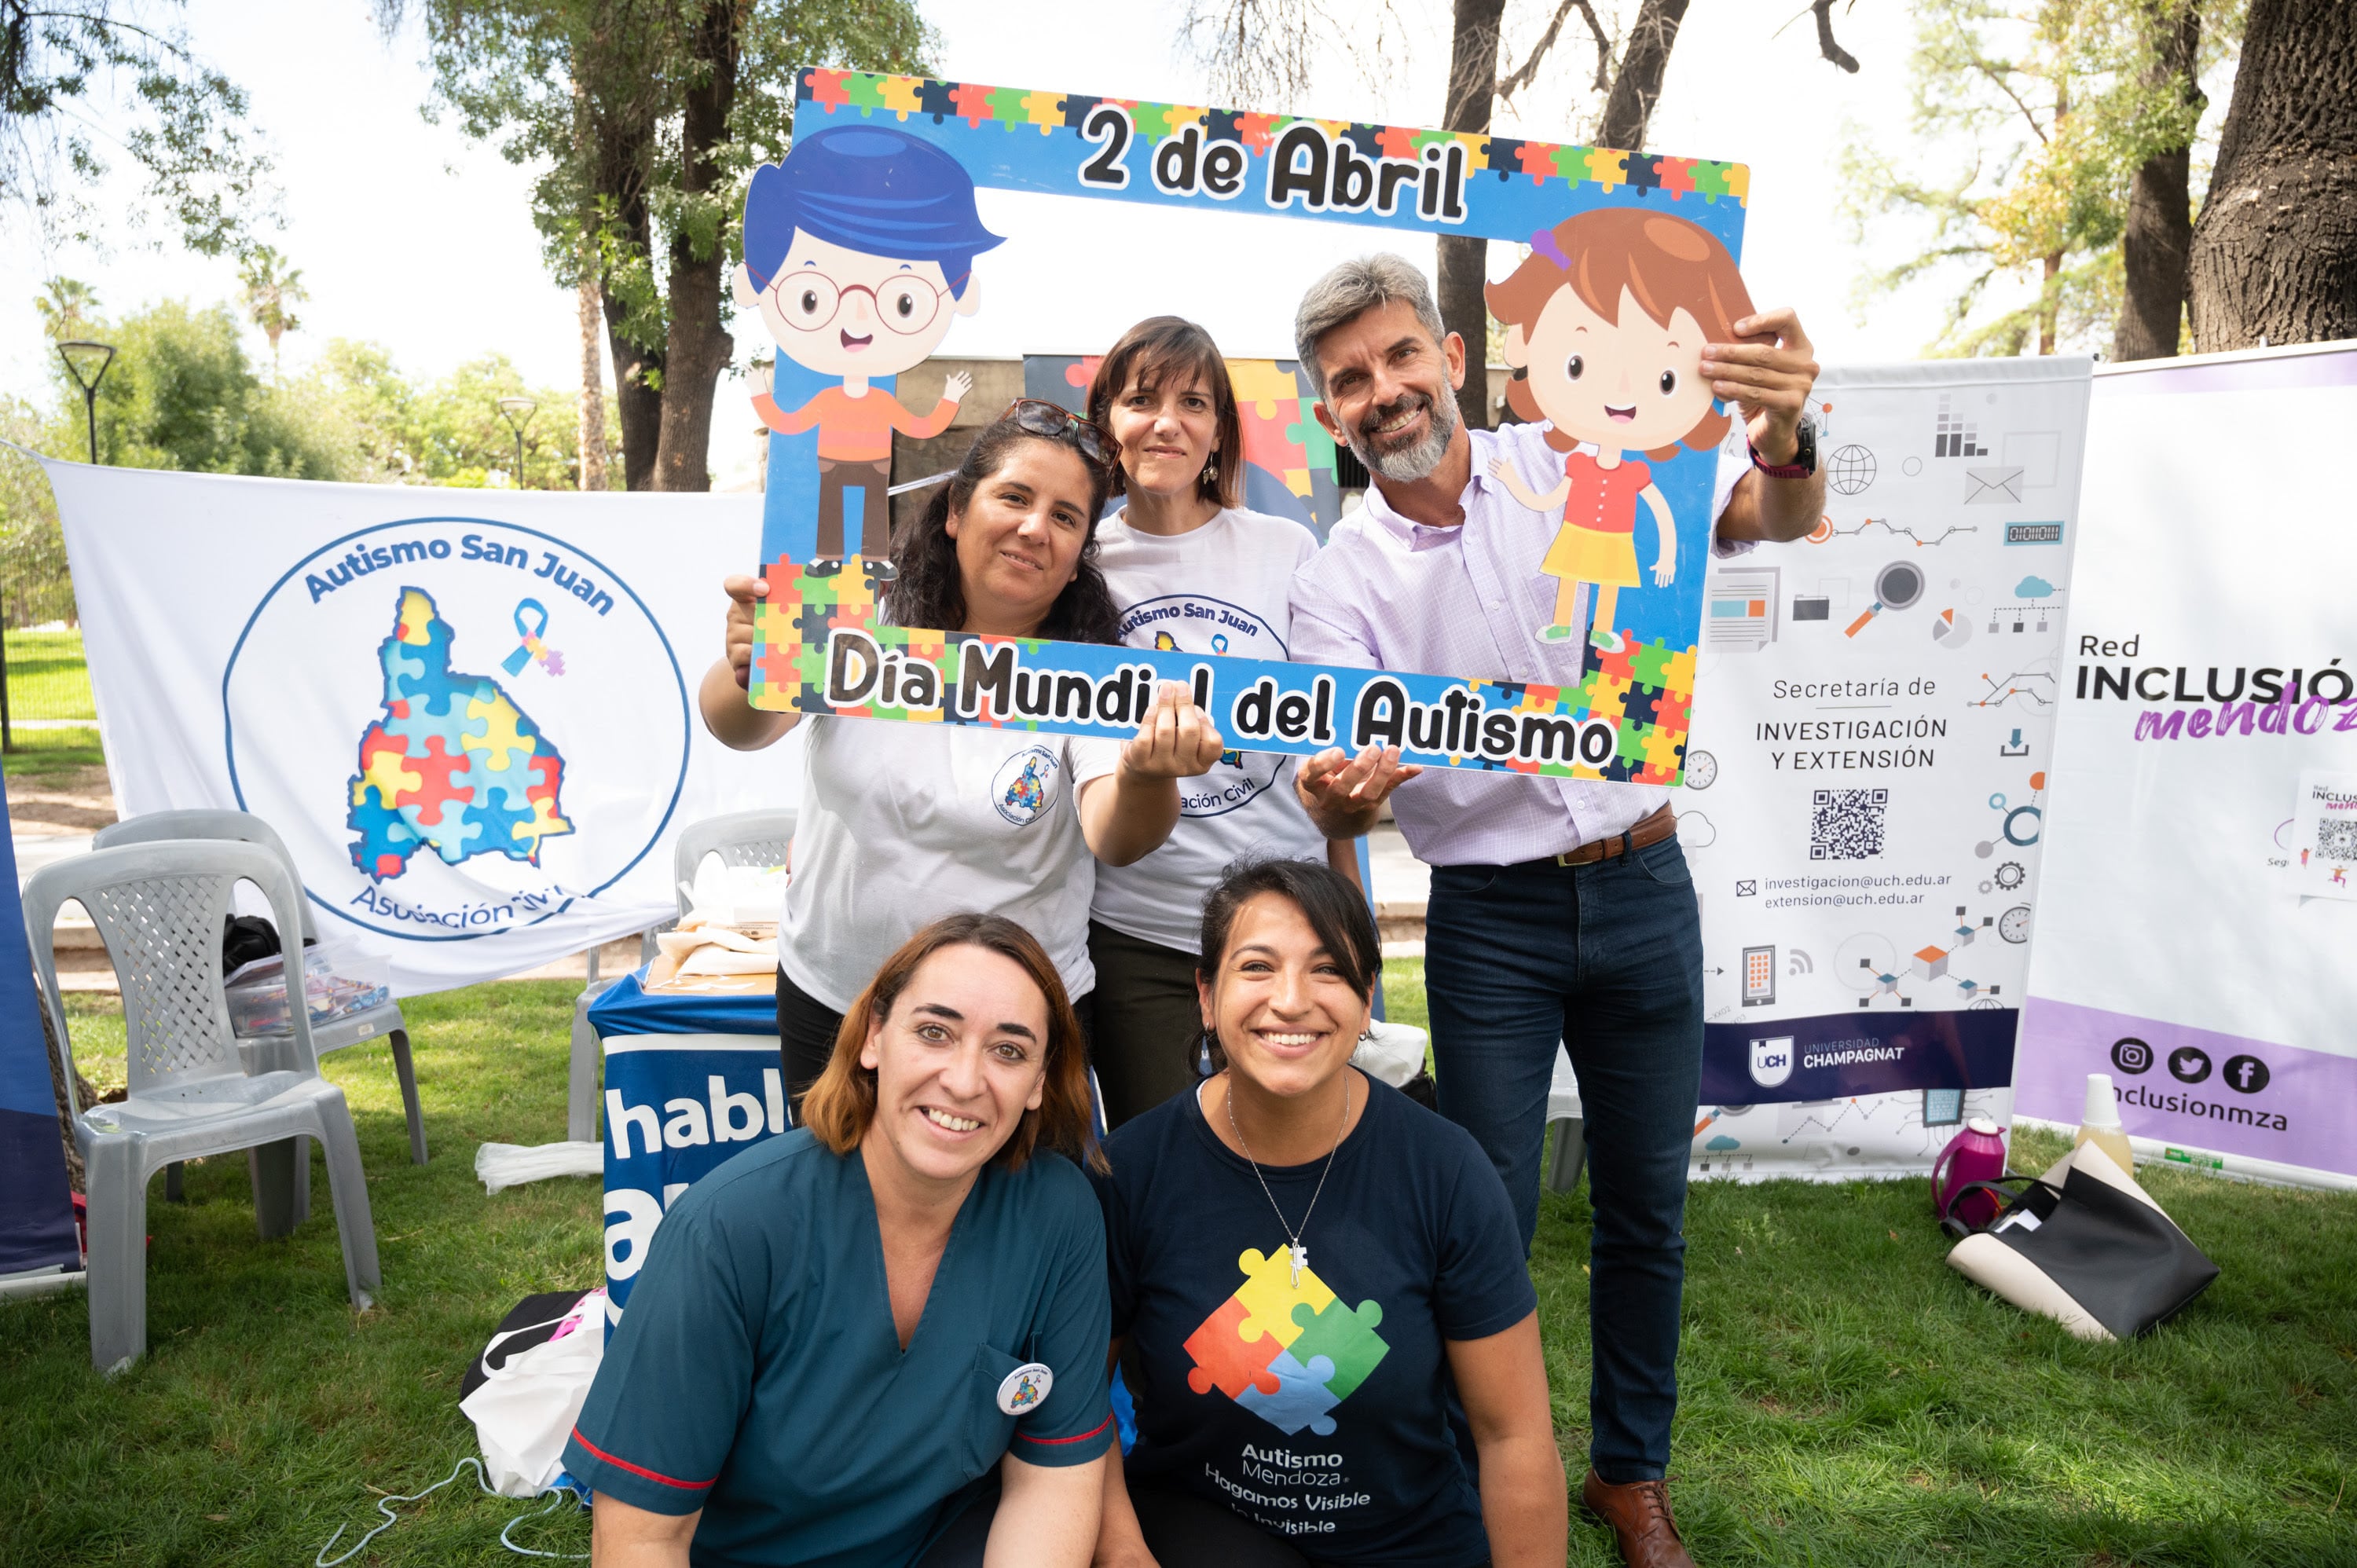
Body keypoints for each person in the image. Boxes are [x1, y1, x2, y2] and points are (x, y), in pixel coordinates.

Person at [1284, 251, 1823, 1568]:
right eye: (1350, 380)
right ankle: (1476, 1473)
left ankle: (1630, 1477)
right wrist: (1346, 792)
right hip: (1490, 924)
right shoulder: (1334, 584)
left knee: (1647, 1206)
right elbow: (1341, 797)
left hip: (1644, 886)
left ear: (1455, 358)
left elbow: (1774, 516)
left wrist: (1788, 425)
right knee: (1485, 1220)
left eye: (1401, 357)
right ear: (1326, 414)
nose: (1384, 392)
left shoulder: (1601, 451)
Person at [699, 401, 1226, 1111]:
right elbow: (740, 727)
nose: (1035, 529)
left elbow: (1116, 834)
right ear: (955, 509)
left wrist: (1145, 773)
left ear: (1078, 559)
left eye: (1066, 518)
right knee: (838, 1214)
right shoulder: (854, 608)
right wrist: (751, 664)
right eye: (1014, 497)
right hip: (837, 1000)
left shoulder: (1090, 670)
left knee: (1022, 1220)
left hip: (1016, 1030)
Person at [565, 914, 1116, 1566]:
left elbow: (1050, 1481)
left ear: (1039, 1083)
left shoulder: (1058, 1214)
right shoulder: (729, 1230)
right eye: (934, 1032)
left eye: (1009, 1050)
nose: (966, 1081)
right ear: (873, 1038)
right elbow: (641, 1540)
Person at [1092, 859, 1565, 1568]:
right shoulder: (1129, 1172)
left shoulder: (1445, 1169)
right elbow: (1074, 1408)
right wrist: (1127, 1554)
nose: (1290, 1000)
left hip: (1410, 1545)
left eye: (1328, 970)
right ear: (1205, 993)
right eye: (1256, 967)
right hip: (1200, 1534)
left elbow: (1514, 1436)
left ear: (1367, 994)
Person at [1080, 316, 1343, 1128]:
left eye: (1194, 402)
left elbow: (1328, 742)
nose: (1168, 421)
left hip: (1285, 918)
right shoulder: (1077, 559)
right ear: (1106, 422)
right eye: (1141, 398)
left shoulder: (1285, 548)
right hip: (1136, 933)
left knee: (1292, 1151)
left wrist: (1349, 914)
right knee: (1155, 1170)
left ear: (1221, 433)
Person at [735, 123, 995, 581]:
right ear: (754, 283)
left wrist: (951, 399)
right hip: (831, 460)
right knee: (830, 511)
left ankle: (874, 557)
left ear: (961, 294)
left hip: (875, 462)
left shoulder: (880, 401)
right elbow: (789, 422)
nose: (857, 320)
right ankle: (829, 556)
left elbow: (920, 426)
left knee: (874, 512)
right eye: (811, 298)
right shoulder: (830, 399)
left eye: (902, 302)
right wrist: (760, 396)